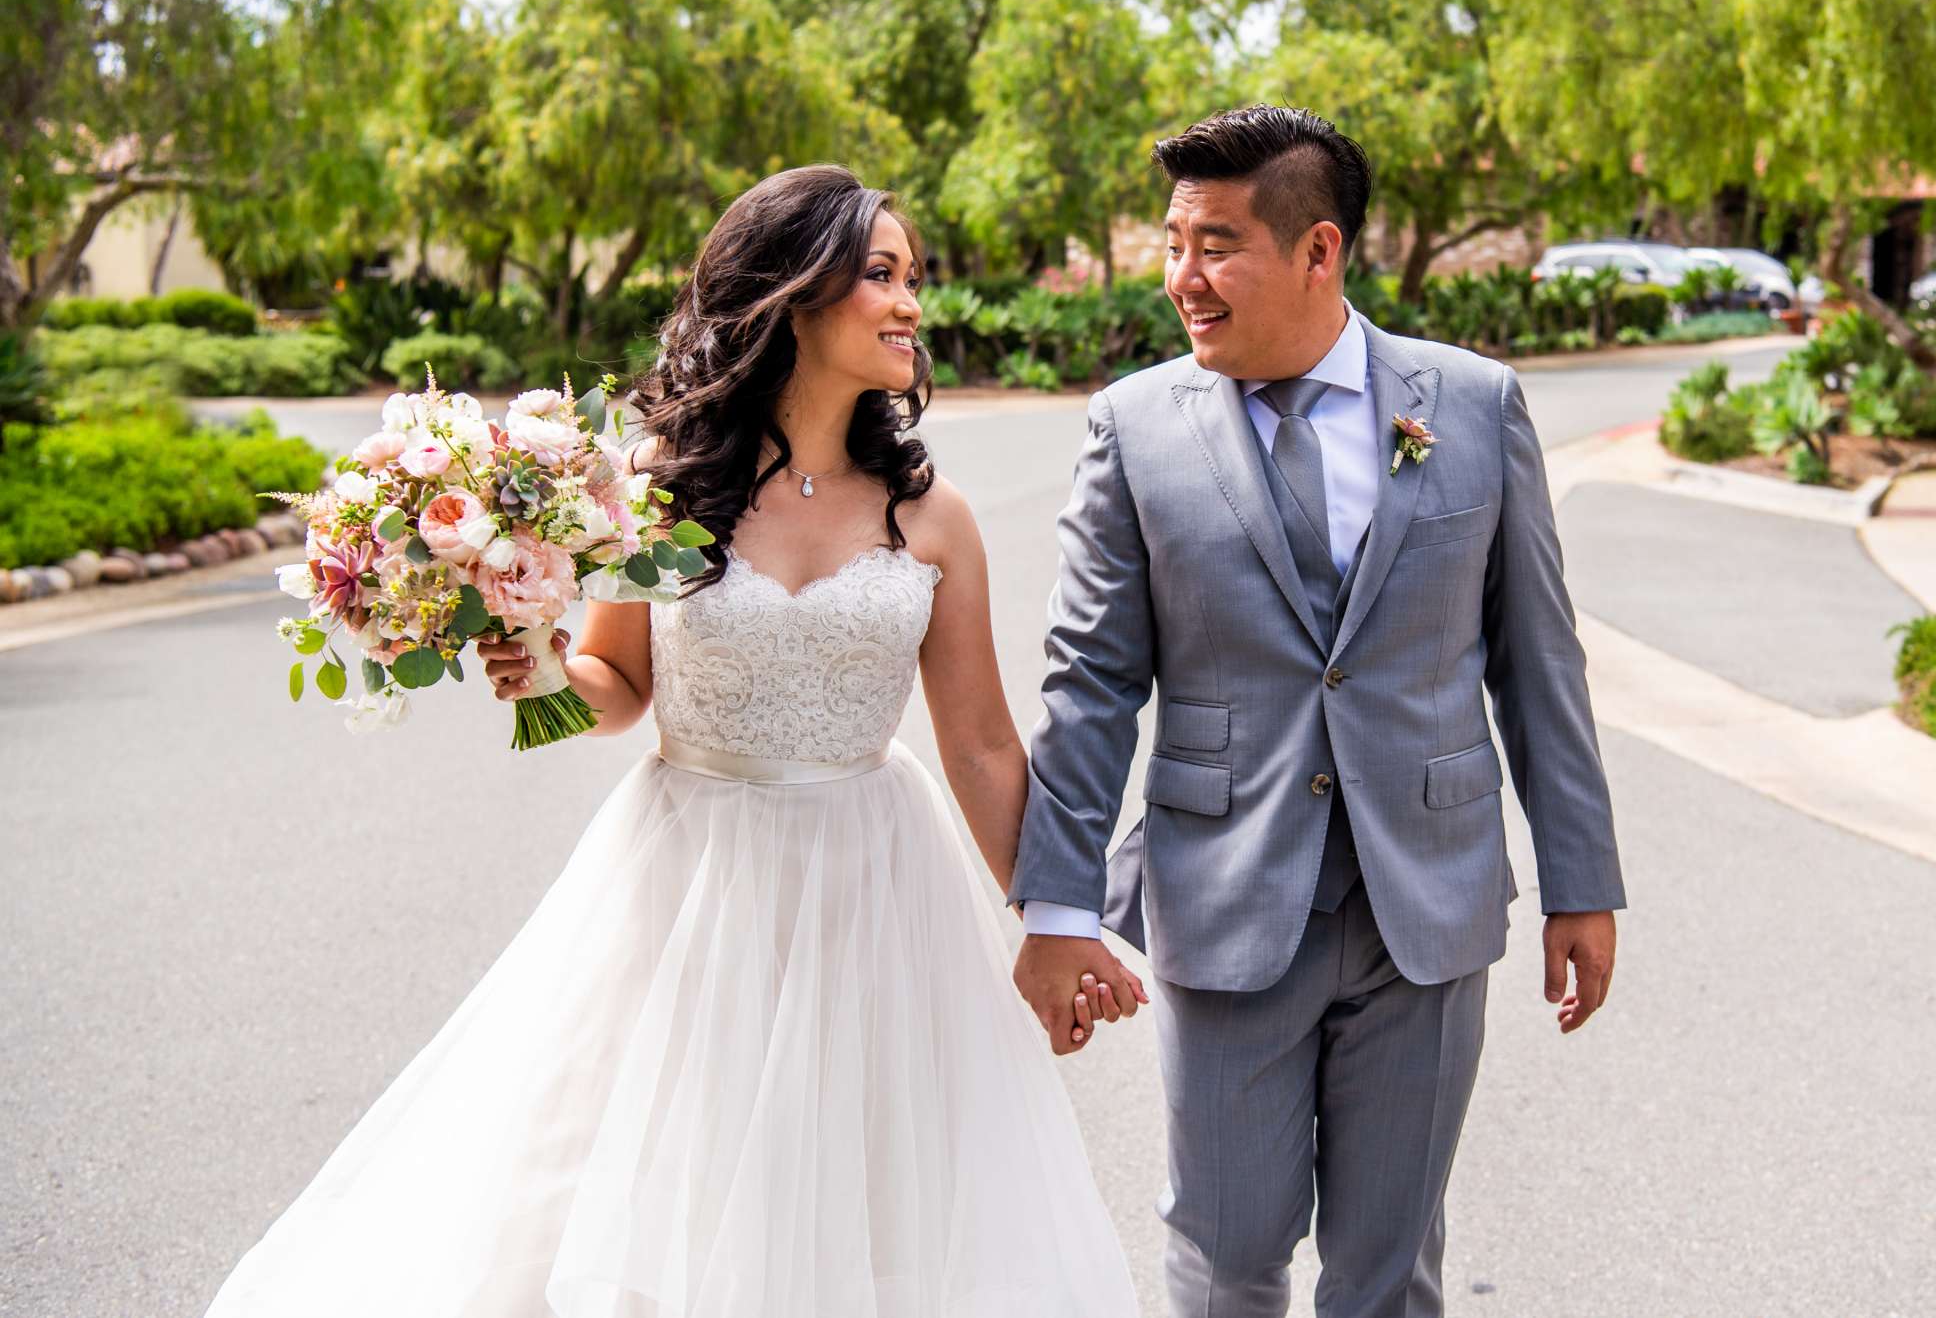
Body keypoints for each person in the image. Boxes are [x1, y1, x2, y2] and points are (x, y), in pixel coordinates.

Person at [205, 165, 1140, 1317]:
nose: (911, 305)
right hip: (689, 883)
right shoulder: (659, 487)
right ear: (793, 296)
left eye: (915, 280)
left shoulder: (931, 517)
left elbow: (986, 747)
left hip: (877, 890)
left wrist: (1055, 922)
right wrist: (535, 673)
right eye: (882, 276)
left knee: (869, 1198)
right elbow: (612, 691)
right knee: (668, 1194)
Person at [1009, 106, 1625, 1317]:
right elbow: (1088, 684)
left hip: (1429, 899)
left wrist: (1582, 882)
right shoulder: (1134, 428)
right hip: (1225, 892)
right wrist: (1058, 904)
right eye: (1174, 243)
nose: (1184, 278)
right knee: (1227, 1254)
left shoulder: (1474, 404)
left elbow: (1538, 661)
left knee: (1389, 1267)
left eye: (1217, 245)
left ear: (1320, 251)